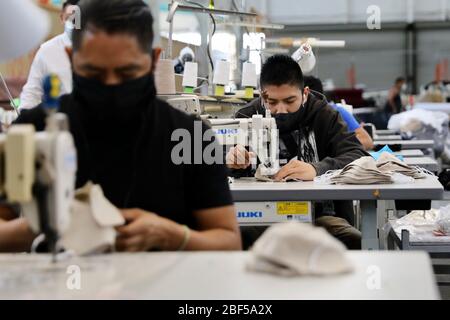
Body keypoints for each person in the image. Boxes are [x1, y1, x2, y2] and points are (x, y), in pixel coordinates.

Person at [5, 0, 241, 252]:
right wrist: (42, 227)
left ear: (153, 60)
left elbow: (228, 241)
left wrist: (175, 236)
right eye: (94, 73)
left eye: (127, 73)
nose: (111, 86)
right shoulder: (32, 130)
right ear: (71, 58)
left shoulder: (191, 137)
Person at [227, 55, 367, 250]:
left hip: (319, 217)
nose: (281, 110)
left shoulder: (324, 115)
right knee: (233, 240)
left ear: (305, 93)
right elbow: (215, 170)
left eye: (290, 100)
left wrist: (318, 169)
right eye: (272, 102)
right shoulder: (246, 118)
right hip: (259, 215)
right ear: (261, 96)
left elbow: (358, 156)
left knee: (352, 239)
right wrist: (231, 163)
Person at [19, 0, 79, 110]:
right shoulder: (47, 50)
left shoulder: (98, 48)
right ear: (62, 18)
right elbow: (32, 94)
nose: (74, 23)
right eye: (70, 17)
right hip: (58, 118)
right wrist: (23, 120)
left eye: (78, 18)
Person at [304, 76, 374, 150]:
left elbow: (367, 142)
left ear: (306, 93)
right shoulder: (295, 116)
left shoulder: (336, 111)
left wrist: (335, 146)